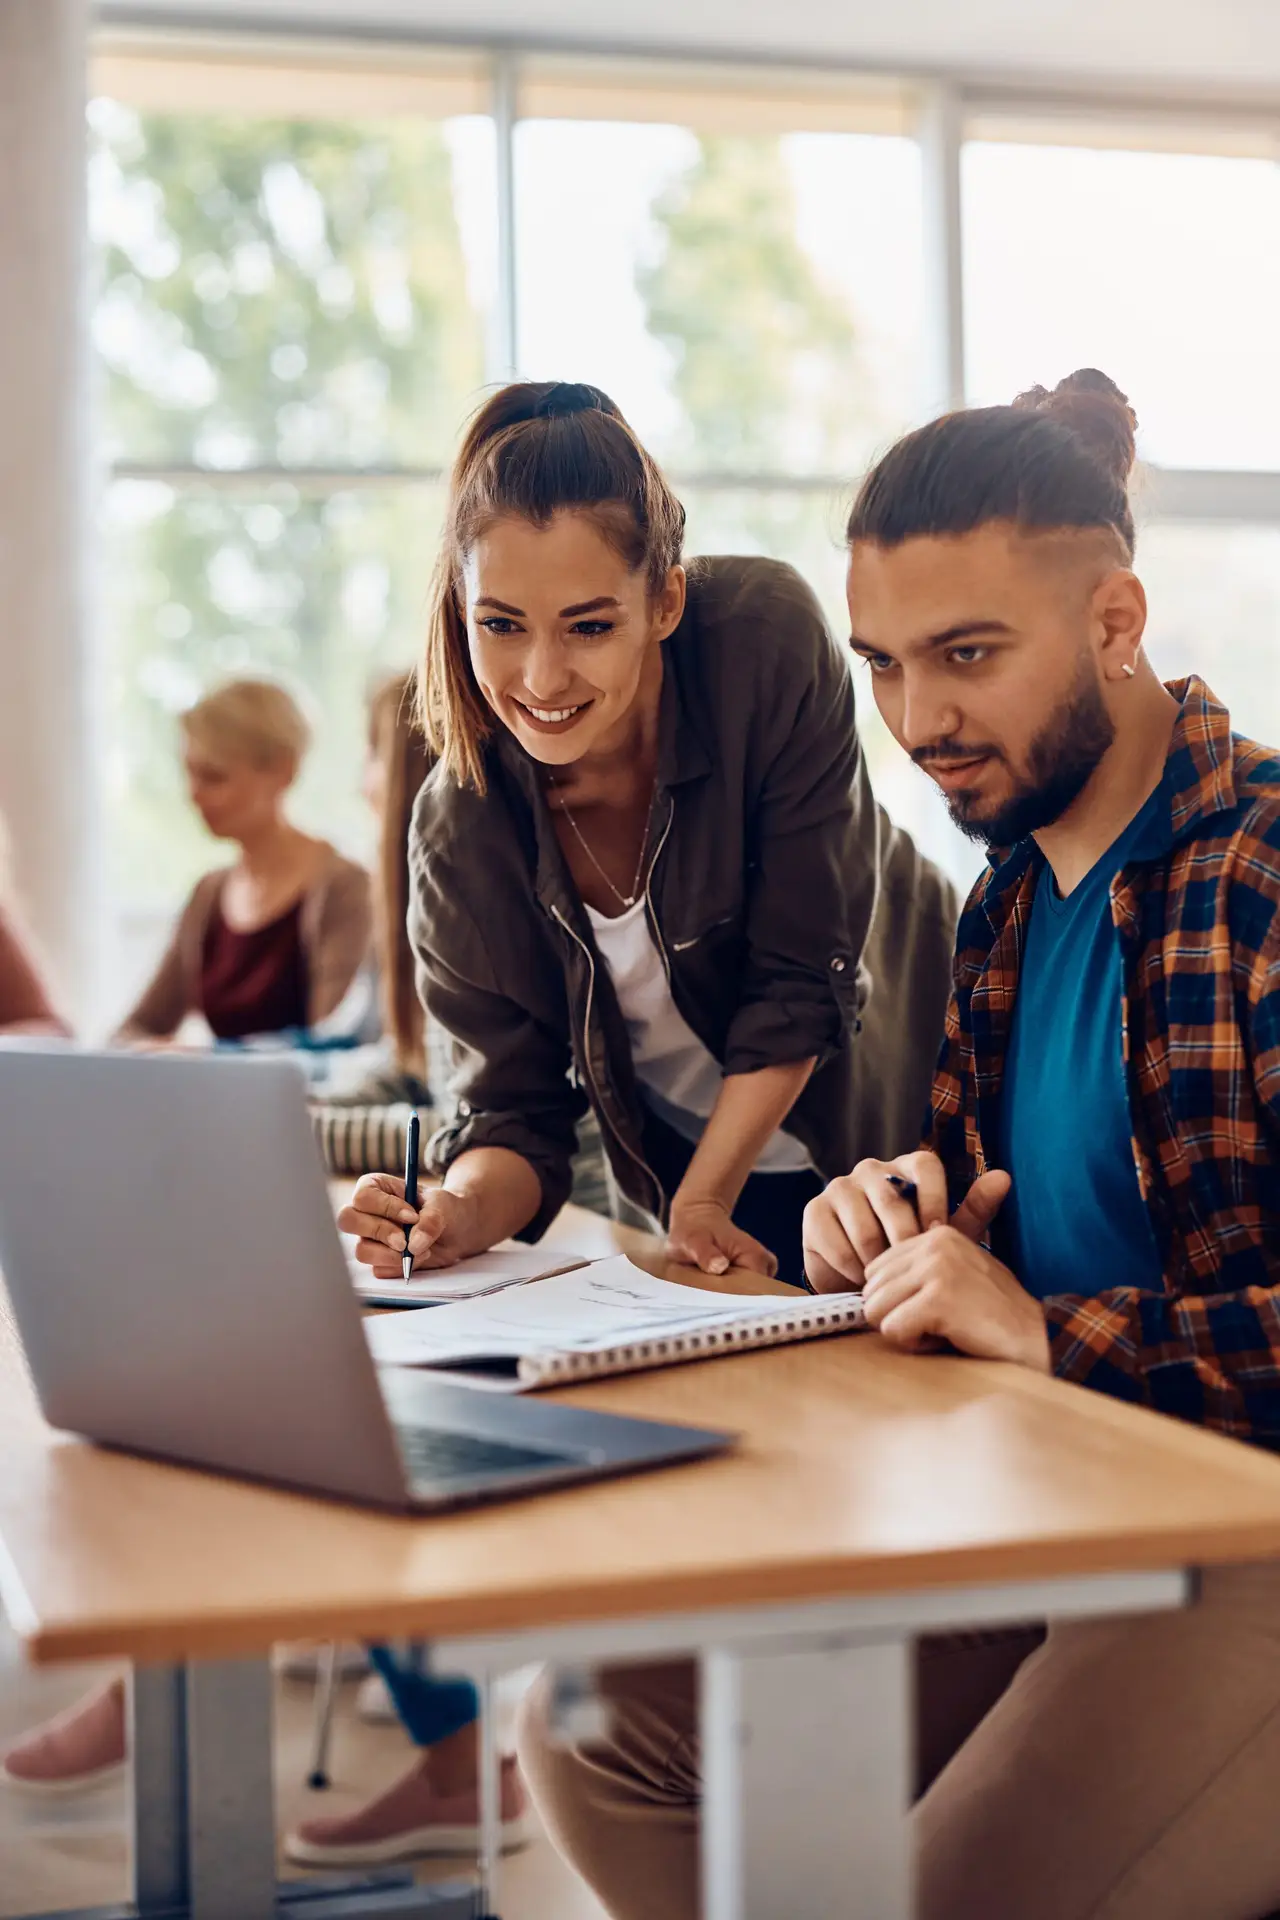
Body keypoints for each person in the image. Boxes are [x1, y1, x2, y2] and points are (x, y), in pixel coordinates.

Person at [514, 370, 1280, 1920]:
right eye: (883, 665)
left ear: (1115, 621)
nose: (919, 722)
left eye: (968, 656)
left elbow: (1086, 1326)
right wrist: (902, 1228)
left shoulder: (1260, 877)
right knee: (599, 1724)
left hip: (1243, 1546)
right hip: (1056, 1514)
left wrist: (1049, 1336)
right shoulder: (1000, 909)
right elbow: (1001, 1233)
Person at [343, 377, 950, 1296]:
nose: (542, 678)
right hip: (684, 1193)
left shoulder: (762, 645)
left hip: (898, 1122)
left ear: (664, 602)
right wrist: (456, 1211)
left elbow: (802, 979)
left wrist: (704, 1200)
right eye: (500, 625)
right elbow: (513, 1115)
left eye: (589, 625)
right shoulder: (456, 830)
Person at [115, 678, 371, 1044]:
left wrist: (207, 1061)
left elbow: (333, 1043)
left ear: (284, 771)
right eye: (189, 772)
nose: (194, 794)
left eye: (213, 776)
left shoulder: (343, 887)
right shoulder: (209, 893)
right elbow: (132, 1031)